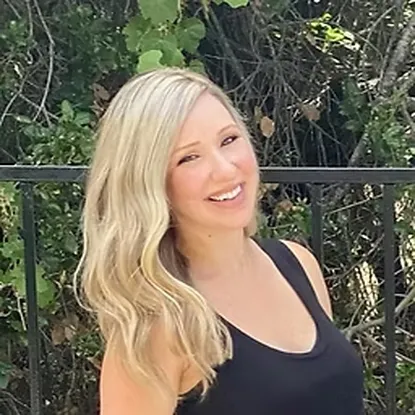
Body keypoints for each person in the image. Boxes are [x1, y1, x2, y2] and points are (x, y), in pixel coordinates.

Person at [75, 68, 364, 415]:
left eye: (228, 140)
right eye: (189, 158)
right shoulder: (158, 325)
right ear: (150, 184)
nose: (226, 169)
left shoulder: (298, 264)